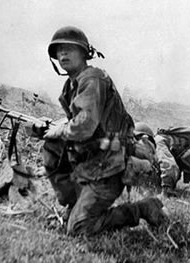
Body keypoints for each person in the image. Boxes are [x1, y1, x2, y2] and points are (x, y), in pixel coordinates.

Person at [28, 26, 167, 236]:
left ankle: (143, 208)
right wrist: (47, 127)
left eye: (69, 48)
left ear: (84, 53)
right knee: (53, 146)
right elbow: (76, 123)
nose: (63, 54)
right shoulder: (72, 85)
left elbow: (84, 125)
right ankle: (74, 204)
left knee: (79, 228)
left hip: (110, 163)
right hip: (92, 162)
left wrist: (61, 129)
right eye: (59, 50)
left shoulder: (92, 79)